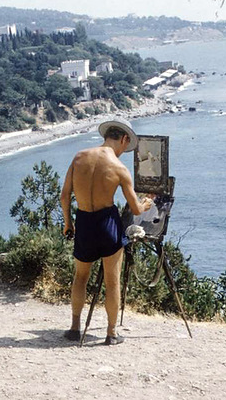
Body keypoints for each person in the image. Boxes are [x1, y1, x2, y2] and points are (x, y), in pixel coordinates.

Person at [60, 117, 153, 345]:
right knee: (112, 282)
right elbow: (135, 209)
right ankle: (111, 334)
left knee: (80, 277)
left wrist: (68, 223)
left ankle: (74, 328)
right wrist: (146, 203)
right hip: (107, 224)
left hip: (84, 221)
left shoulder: (79, 157)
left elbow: (64, 196)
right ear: (123, 139)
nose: (123, 151)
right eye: (125, 146)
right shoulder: (119, 168)